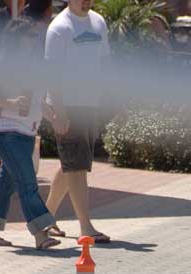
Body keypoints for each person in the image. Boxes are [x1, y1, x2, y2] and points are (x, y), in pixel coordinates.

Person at [0, 19, 61, 249]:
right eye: (30, 36)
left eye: (36, 37)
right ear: (17, 38)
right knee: (27, 182)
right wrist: (9, 103)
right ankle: (41, 233)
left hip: (25, 132)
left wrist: (51, 115)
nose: (35, 41)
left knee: (7, 183)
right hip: (6, 132)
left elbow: (35, 100)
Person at [44, 0, 110, 243]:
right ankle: (85, 226)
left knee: (72, 163)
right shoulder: (59, 27)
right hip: (67, 105)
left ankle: (46, 216)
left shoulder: (98, 22)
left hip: (89, 103)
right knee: (77, 165)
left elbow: (103, 64)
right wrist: (59, 110)